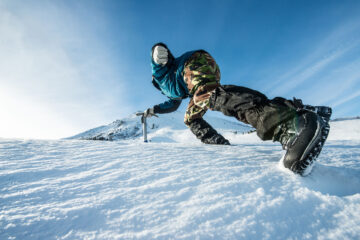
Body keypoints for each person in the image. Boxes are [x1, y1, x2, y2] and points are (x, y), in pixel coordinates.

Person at [144, 43, 332, 175]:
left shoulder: (159, 75)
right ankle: (301, 111)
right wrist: (153, 110)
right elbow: (172, 104)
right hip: (202, 67)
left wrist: (157, 51)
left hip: (192, 64)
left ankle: (290, 127)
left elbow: (159, 54)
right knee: (191, 116)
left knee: (208, 95)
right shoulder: (172, 93)